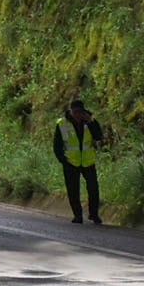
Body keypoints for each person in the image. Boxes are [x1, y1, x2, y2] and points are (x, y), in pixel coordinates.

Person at [52, 97, 109, 226]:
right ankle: (77, 215)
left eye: (80, 112)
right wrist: (63, 160)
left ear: (84, 112)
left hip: (88, 161)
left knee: (93, 188)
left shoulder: (89, 122)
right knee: (73, 190)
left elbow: (99, 136)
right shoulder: (62, 123)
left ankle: (94, 214)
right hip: (70, 162)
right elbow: (57, 145)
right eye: (75, 112)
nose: (78, 115)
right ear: (70, 111)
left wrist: (91, 122)